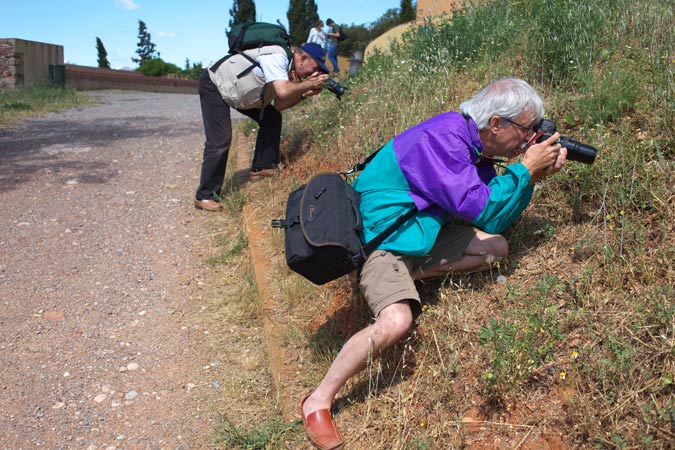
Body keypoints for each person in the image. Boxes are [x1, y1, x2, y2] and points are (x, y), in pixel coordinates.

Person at [300, 77, 568, 450]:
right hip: (383, 244)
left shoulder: (476, 146)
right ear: (496, 124)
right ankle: (318, 400)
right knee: (397, 321)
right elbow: (482, 207)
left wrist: (532, 176)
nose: (530, 139)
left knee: (497, 247)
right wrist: (524, 169)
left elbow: (493, 221)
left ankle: (412, 275)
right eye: (527, 130)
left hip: (418, 235)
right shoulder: (442, 140)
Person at [194, 42, 330, 212]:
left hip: (240, 94)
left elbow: (279, 104)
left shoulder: (288, 70)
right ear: (303, 59)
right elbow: (282, 92)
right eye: (315, 68)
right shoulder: (277, 57)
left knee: (272, 117)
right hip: (215, 84)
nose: (314, 74)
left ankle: (262, 167)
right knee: (220, 140)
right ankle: (205, 195)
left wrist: (303, 94)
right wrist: (309, 84)